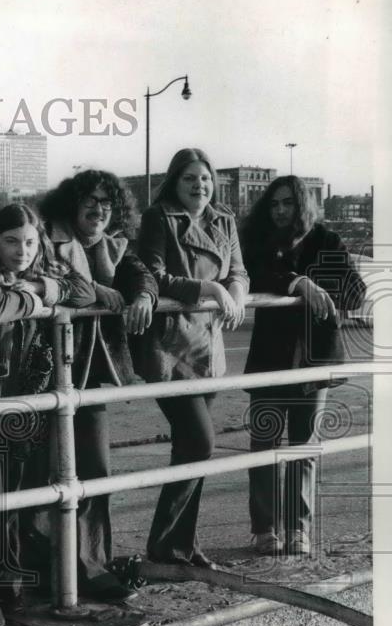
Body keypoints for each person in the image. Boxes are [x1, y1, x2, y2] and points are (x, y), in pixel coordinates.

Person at [0, 203, 96, 626]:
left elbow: (85, 292)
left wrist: (45, 284)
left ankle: (6, 589)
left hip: (21, 406)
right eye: (11, 241)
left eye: (30, 242)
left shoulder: (39, 268)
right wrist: (38, 296)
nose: (21, 250)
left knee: (11, 501)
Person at [35, 170, 159, 601]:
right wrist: (94, 292)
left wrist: (142, 296)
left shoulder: (114, 246)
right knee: (34, 479)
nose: (99, 209)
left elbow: (141, 274)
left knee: (93, 471)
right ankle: (37, 572)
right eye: (90, 200)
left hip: (88, 378)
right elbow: (39, 278)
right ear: (71, 204)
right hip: (40, 376)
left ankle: (93, 567)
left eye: (107, 202)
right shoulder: (45, 237)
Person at [130, 147, 248, 568]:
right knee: (199, 442)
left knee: (190, 450)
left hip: (208, 346)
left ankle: (180, 547)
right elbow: (156, 275)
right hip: (171, 346)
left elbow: (238, 269)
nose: (200, 186)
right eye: (190, 179)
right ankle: (166, 546)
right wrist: (212, 291)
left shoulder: (224, 220)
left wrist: (235, 290)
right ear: (174, 182)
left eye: (205, 179)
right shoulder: (158, 218)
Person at [240, 175, 367, 556]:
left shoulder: (326, 241)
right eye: (274, 204)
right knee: (263, 445)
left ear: (302, 205)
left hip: (314, 360)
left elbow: (355, 292)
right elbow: (254, 276)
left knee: (303, 447)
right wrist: (298, 284)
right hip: (269, 359)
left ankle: (298, 529)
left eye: (288, 204)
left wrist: (312, 282)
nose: (280, 211)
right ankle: (264, 529)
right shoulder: (259, 241)